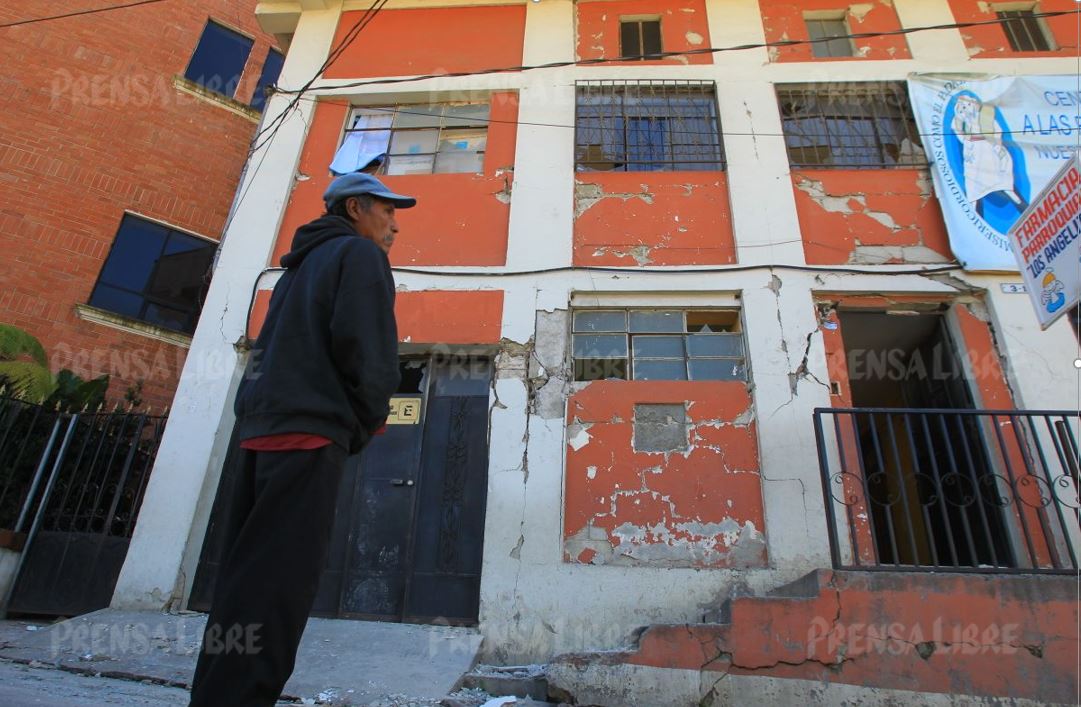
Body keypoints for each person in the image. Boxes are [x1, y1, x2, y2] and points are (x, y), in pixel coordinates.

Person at [189, 173, 415, 707]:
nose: (395, 225)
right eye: (388, 212)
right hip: (308, 438)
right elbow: (367, 349)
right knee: (279, 589)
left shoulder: (296, 269)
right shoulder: (359, 259)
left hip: (260, 435)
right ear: (356, 208)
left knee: (244, 582)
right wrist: (363, 420)